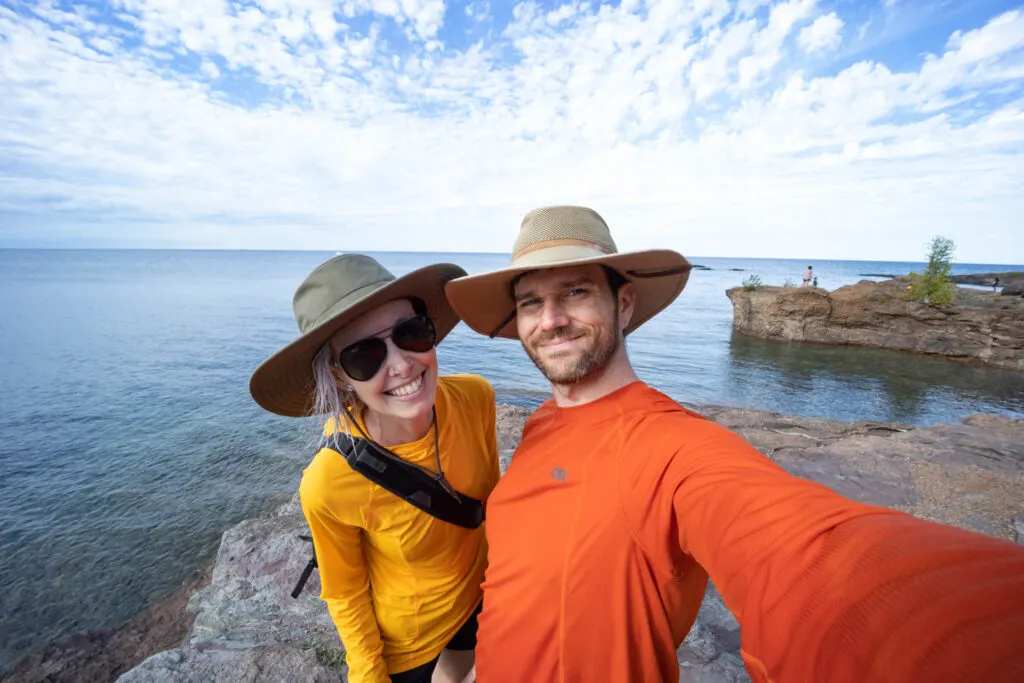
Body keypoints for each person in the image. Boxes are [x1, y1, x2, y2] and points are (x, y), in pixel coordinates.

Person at [443, 206, 1024, 683]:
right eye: (530, 302)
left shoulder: (674, 447)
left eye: (575, 292)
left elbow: (813, 559)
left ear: (622, 304)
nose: (551, 320)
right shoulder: (542, 423)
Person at [250, 254, 500, 683]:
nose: (402, 365)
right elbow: (345, 594)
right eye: (364, 355)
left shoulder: (476, 398)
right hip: (409, 642)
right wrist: (369, 675)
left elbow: (492, 505)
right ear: (340, 375)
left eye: (411, 333)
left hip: (481, 597)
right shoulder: (329, 482)